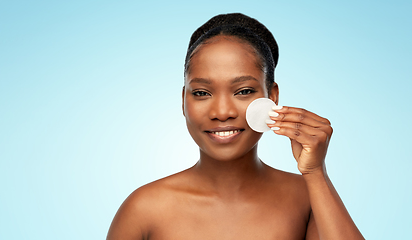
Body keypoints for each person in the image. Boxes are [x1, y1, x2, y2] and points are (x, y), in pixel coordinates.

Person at [107, 13, 364, 240]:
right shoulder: (143, 209)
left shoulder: (308, 199)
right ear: (183, 100)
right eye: (201, 93)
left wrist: (316, 174)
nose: (222, 113)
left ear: (272, 98)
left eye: (243, 91)